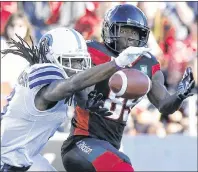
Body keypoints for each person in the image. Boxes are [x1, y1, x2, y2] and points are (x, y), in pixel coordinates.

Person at [61, 4, 195, 172]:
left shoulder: (147, 63)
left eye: (135, 32)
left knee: (122, 163)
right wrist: (86, 98)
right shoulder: (92, 51)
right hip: (82, 142)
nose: (130, 37)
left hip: (111, 146)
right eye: (125, 30)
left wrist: (180, 95)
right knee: (122, 167)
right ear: (110, 30)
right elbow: (74, 85)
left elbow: (164, 105)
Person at [0, 27, 150, 172]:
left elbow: (74, 89)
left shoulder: (52, 78)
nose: (79, 67)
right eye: (71, 61)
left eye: (81, 61)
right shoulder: (45, 75)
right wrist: (117, 63)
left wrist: (87, 103)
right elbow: (71, 85)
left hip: (25, 155)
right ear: (51, 59)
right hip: (7, 156)